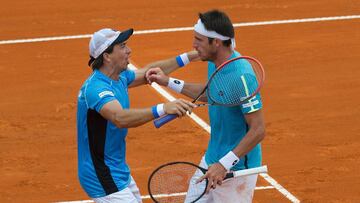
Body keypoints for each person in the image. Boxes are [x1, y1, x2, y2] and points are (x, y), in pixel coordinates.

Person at [146, 10, 266, 203]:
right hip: (212, 159)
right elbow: (212, 92)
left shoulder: (242, 77)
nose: (194, 45)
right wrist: (168, 81)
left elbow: (258, 130)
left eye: (198, 40)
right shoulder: (216, 62)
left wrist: (224, 164)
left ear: (215, 42)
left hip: (236, 171)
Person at [76, 28, 197, 203]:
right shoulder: (96, 89)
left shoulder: (119, 77)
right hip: (101, 175)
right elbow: (119, 117)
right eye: (123, 46)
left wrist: (190, 57)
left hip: (117, 170)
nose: (129, 50)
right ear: (107, 56)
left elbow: (151, 71)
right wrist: (163, 108)